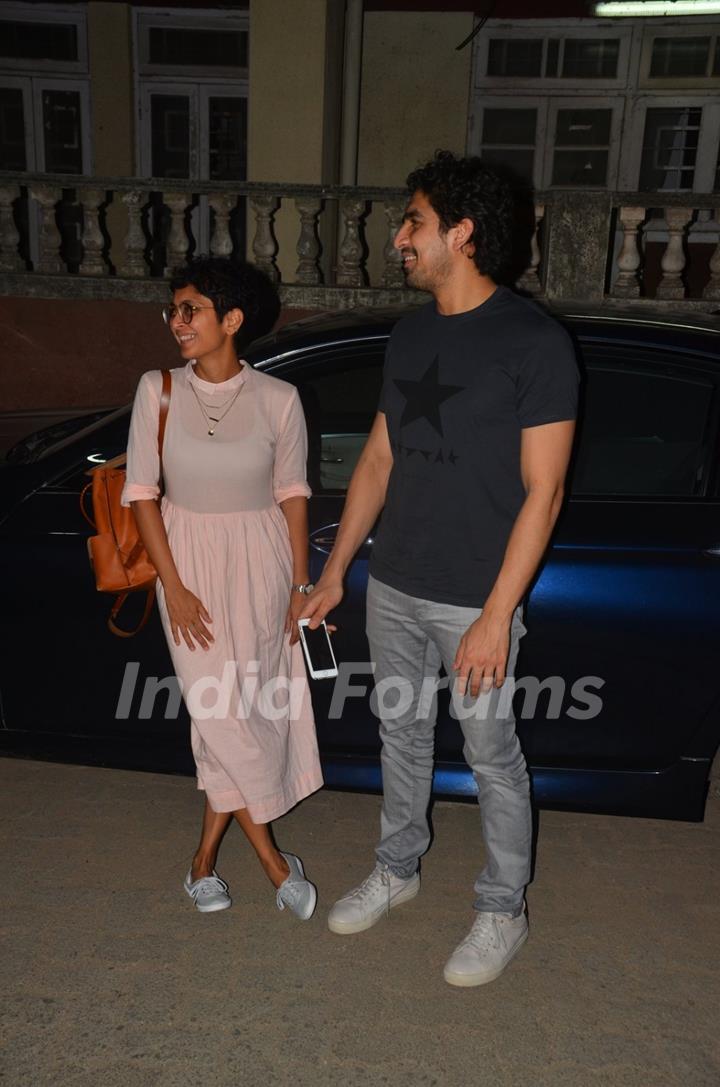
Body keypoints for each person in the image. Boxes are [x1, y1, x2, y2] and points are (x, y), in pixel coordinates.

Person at [301, 151, 579, 985]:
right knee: (401, 732)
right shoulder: (412, 332)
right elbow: (379, 462)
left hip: (473, 601)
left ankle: (502, 909)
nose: (399, 239)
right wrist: (335, 569)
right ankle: (399, 866)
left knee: (493, 754)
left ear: (460, 232)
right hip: (395, 585)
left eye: (413, 221)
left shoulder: (535, 342)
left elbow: (547, 490)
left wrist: (498, 613)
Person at [122, 256, 322, 920]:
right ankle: (273, 864)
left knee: (237, 716)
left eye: (190, 310)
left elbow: (293, 496)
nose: (176, 322)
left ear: (231, 320)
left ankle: (203, 863)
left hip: (262, 563)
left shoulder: (278, 399)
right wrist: (172, 585)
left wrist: (299, 584)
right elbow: (142, 494)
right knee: (219, 712)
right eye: (172, 310)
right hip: (188, 563)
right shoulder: (158, 389)